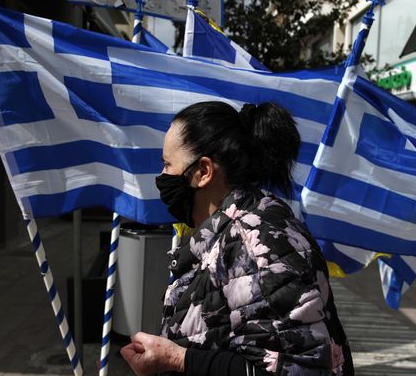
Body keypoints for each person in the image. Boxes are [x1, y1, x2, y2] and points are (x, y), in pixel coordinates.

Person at [121, 101, 354, 375]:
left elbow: (304, 369)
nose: (162, 176)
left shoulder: (257, 242)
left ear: (203, 172)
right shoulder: (232, 232)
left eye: (167, 164)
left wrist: (176, 359)